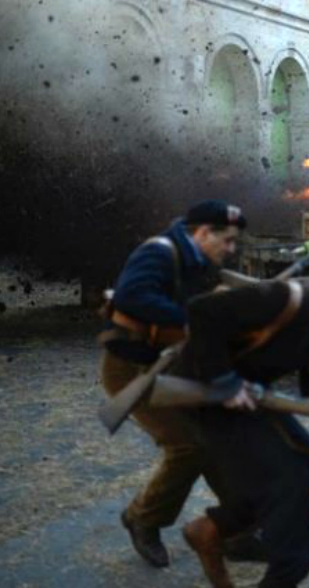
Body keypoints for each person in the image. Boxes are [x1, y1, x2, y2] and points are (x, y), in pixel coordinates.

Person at [173, 274, 309, 588]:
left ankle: (212, 529)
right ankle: (287, 572)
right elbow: (201, 310)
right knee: (291, 482)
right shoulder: (283, 299)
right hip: (204, 397)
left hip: (250, 397)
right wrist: (223, 380)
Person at [98, 199, 245, 568]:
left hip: (173, 366)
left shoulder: (198, 261)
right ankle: (142, 519)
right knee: (188, 445)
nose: (231, 249)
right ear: (203, 233)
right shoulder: (160, 252)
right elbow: (133, 297)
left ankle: (235, 531)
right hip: (132, 370)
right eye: (226, 240)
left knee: (217, 437)